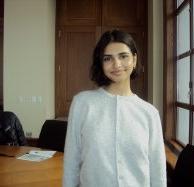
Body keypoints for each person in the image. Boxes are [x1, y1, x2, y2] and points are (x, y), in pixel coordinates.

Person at [63, 30, 166, 187]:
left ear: (134, 59)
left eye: (123, 56)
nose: (116, 64)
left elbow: (157, 172)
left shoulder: (149, 113)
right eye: (108, 58)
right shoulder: (82, 104)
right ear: (101, 63)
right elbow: (71, 162)